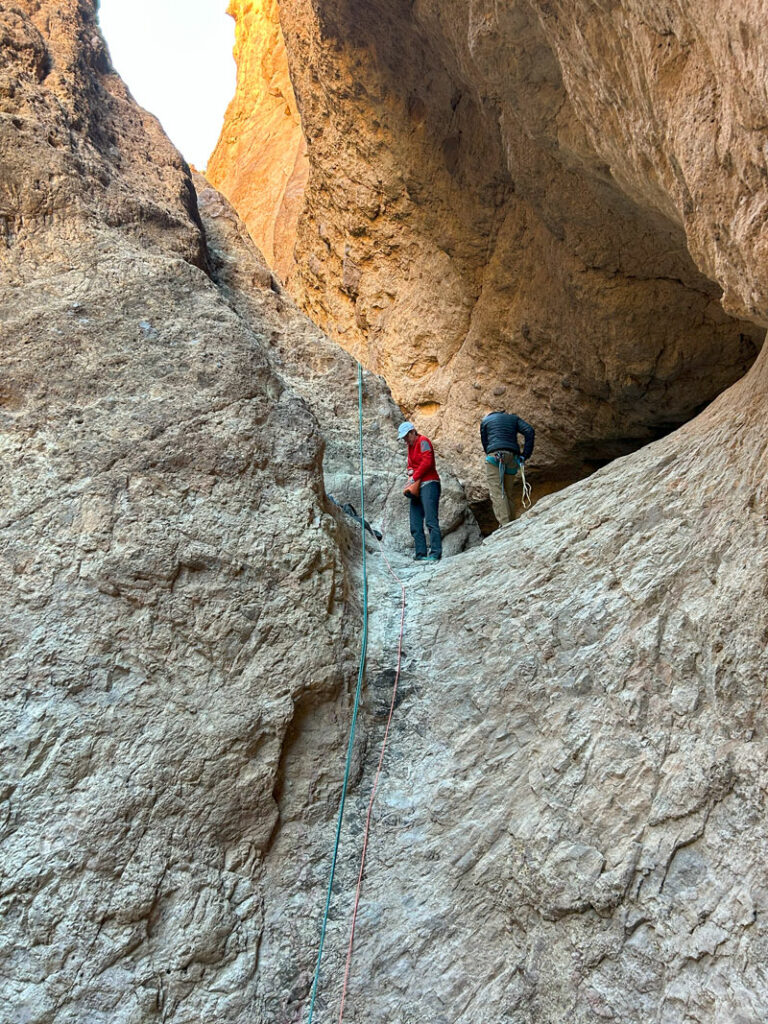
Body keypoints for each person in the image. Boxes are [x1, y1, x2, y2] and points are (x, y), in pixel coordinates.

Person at [480, 410, 535, 527]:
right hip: (512, 457)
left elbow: (485, 443)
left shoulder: (485, 421)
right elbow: (529, 431)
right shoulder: (513, 418)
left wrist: (491, 452)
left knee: (497, 492)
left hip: (494, 457)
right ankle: (512, 523)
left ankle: (505, 525)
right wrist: (525, 455)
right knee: (508, 492)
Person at [397, 421, 442, 561]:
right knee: (415, 522)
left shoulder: (423, 441)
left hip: (430, 483)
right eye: (403, 438)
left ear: (413, 432)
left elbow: (428, 461)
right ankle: (420, 553)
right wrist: (410, 471)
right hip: (417, 485)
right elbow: (411, 464)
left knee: (430, 520)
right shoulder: (410, 446)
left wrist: (414, 476)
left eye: (406, 436)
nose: (405, 440)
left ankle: (435, 553)